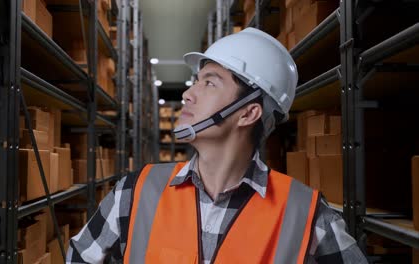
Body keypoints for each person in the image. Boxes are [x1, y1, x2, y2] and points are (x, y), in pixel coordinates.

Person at [66, 28, 368, 263]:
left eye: (209, 83)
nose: (188, 94)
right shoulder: (134, 193)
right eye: (195, 81)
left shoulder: (306, 215)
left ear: (249, 112)